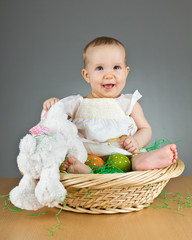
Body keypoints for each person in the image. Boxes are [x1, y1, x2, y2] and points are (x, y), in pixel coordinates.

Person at [43, 36, 178, 173]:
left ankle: (144, 161)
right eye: (100, 68)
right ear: (87, 75)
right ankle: (86, 172)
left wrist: (136, 141)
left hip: (123, 154)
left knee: (134, 159)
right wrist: (53, 104)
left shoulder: (128, 103)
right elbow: (55, 119)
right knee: (78, 160)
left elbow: (145, 129)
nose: (109, 75)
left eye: (116, 67)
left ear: (126, 72)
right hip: (88, 155)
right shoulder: (77, 103)